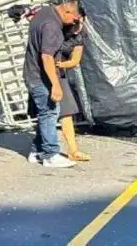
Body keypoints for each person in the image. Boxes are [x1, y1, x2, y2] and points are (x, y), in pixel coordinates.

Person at [24, 0, 82, 169]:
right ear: (68, 12)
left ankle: (37, 151)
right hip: (40, 76)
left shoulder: (44, 13)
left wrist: (74, 29)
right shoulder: (52, 25)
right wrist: (55, 84)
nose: (74, 23)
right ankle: (50, 155)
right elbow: (47, 56)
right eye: (74, 19)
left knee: (45, 113)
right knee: (50, 112)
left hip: (32, 73)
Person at [55, 9, 90, 162]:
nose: (77, 24)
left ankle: (73, 150)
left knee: (66, 112)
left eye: (80, 20)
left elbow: (75, 61)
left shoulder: (80, 37)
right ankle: (41, 148)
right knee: (45, 113)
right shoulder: (58, 29)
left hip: (59, 73)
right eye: (75, 20)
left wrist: (60, 64)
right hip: (44, 73)